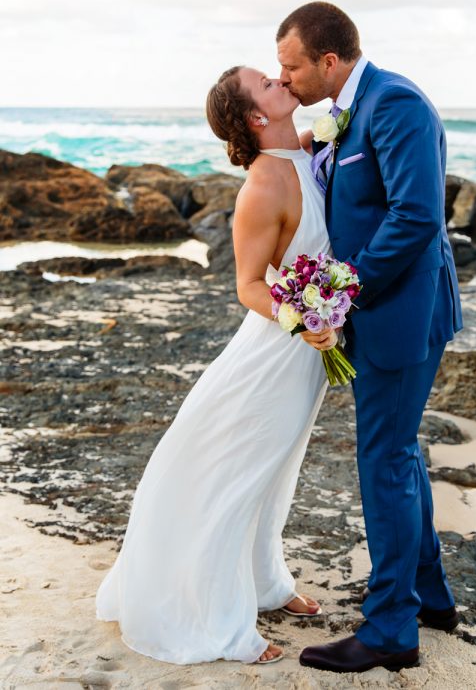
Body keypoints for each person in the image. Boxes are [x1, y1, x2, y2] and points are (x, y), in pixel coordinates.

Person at [95, 65, 338, 665]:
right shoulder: (261, 188)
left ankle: (265, 582)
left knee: (277, 472)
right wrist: (303, 320)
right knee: (241, 476)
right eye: (268, 84)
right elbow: (249, 285)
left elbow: (330, 136)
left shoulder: (304, 149)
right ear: (256, 116)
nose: (281, 80)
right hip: (275, 355)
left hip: (305, 356)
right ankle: (221, 624)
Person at [276, 1, 463, 674]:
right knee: (399, 454)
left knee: (384, 459)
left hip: (402, 313)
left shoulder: (396, 104)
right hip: (380, 311)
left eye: (291, 67)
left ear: (329, 61)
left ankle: (390, 631)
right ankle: (430, 598)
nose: (285, 78)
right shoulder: (346, 112)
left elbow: (417, 216)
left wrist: (341, 290)